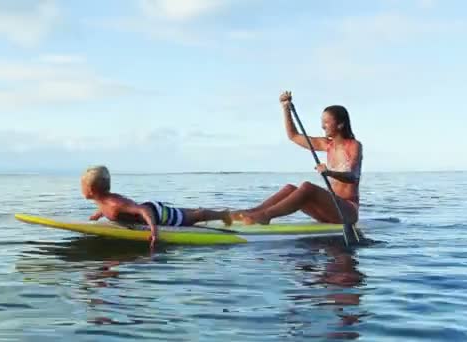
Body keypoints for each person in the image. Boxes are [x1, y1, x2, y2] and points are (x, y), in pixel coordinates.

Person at [232, 91, 363, 226]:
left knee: (308, 187)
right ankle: (252, 212)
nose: (322, 126)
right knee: (290, 189)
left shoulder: (354, 146)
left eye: (326, 122)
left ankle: (265, 216)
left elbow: (352, 176)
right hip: (331, 209)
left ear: (340, 125)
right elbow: (293, 136)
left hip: (347, 211)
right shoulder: (327, 145)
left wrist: (329, 172)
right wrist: (286, 108)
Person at [81, 165, 232, 248]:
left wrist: (154, 231)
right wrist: (98, 215)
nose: (81, 188)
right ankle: (220, 213)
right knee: (190, 213)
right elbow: (105, 207)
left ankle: (223, 215)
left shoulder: (115, 204)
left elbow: (143, 210)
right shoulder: (103, 200)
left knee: (196, 216)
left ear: (92, 190)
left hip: (157, 215)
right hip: (150, 209)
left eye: (83, 185)